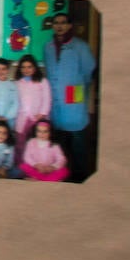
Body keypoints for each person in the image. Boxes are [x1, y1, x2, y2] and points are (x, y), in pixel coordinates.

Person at [44, 12, 96, 181]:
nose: (59, 26)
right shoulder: (48, 47)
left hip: (74, 99)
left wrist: (76, 88)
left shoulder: (81, 46)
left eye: (63, 22)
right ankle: (63, 177)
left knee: (78, 144)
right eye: (56, 23)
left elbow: (89, 72)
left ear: (69, 25)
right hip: (56, 101)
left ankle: (81, 177)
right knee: (60, 145)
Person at [15, 55, 51, 160]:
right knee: (20, 144)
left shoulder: (42, 81)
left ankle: (35, 168)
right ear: (20, 69)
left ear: (34, 68)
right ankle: (20, 167)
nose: (26, 70)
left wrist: (42, 113)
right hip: (21, 118)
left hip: (37, 118)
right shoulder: (17, 83)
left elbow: (47, 99)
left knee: (36, 145)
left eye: (29, 67)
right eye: (23, 67)